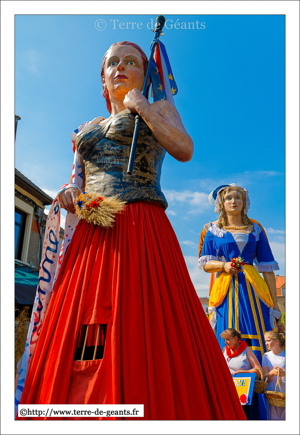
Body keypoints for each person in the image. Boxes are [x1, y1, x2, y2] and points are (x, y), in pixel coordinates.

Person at [17, 41, 246, 420]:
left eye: (130, 62)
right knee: (85, 323)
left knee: (144, 316)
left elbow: (184, 148)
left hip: (142, 225)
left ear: (145, 72)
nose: (120, 68)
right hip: (93, 229)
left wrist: (141, 106)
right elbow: (78, 177)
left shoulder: (156, 109)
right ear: (103, 80)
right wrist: (68, 192)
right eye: (112, 63)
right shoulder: (84, 129)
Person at [198, 184, 281, 365]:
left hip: (253, 289)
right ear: (221, 204)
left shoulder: (255, 230)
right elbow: (206, 264)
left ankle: (259, 380)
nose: (233, 201)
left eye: (238, 198)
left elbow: (268, 271)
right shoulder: (212, 231)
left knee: (256, 328)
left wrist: (275, 305)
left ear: (244, 203)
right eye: (228, 198)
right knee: (227, 328)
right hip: (226, 290)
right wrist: (223, 265)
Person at [220, 328, 263, 419]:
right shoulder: (224, 350)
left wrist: (243, 372)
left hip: (245, 393)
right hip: (229, 390)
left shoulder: (246, 350)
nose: (225, 342)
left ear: (236, 339)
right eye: (224, 340)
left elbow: (259, 371)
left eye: (228, 339)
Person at [262, 330, 285, 420]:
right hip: (272, 392)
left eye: (268, 341)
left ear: (276, 341)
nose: (266, 343)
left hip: (285, 390)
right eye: (265, 341)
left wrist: (284, 374)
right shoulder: (266, 356)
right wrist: (272, 373)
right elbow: (264, 377)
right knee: (273, 418)